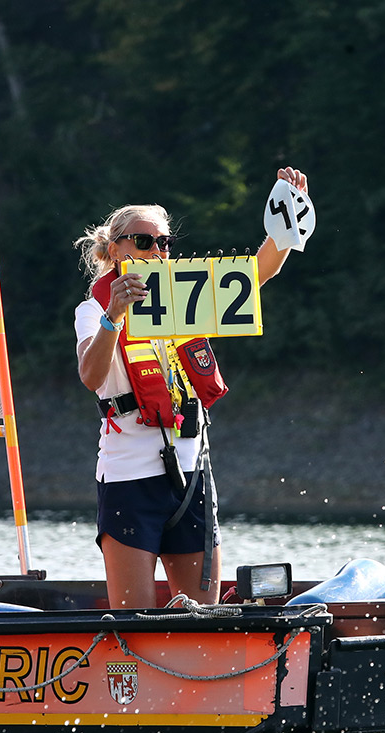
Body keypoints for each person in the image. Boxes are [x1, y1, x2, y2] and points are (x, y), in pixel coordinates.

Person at [73, 167, 310, 609]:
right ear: (113, 250)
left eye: (164, 242)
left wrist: (289, 212)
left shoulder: (183, 296)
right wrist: (114, 316)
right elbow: (91, 375)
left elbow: (261, 271)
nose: (157, 251)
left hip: (191, 476)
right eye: (144, 242)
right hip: (129, 479)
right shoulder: (94, 308)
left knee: (204, 618)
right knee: (134, 620)